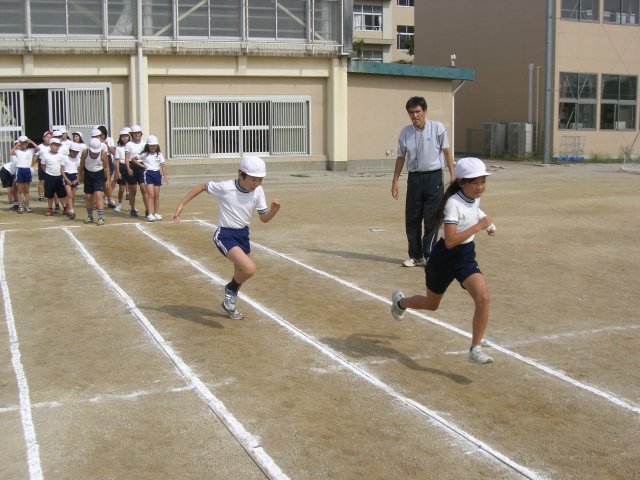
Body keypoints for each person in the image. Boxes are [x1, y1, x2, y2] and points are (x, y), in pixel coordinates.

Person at [390, 157, 496, 365]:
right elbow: (450, 241)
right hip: (444, 259)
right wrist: (480, 226)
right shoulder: (452, 204)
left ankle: (475, 348)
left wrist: (487, 224)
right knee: (431, 304)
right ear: (462, 182)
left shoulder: (473, 197)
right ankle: (401, 303)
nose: (480, 187)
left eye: (483, 182)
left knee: (483, 297)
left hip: (465, 256)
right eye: (475, 182)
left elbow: (475, 210)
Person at [172, 156, 281, 320]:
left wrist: (273, 211)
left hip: (243, 235)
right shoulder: (226, 187)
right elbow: (202, 186)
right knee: (249, 268)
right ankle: (231, 290)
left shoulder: (258, 191)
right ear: (240, 174)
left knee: (242, 271)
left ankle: (228, 302)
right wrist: (181, 205)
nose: (256, 183)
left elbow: (264, 218)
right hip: (225, 235)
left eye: (260, 179)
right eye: (253, 179)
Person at [391, 96, 455, 267]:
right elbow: (400, 157)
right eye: (411, 113)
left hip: (433, 177)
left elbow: (447, 153)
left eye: (418, 111)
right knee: (412, 217)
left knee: (432, 217)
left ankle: (430, 255)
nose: (415, 115)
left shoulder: (437, 128)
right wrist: (395, 180)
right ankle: (415, 255)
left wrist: (453, 175)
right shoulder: (405, 132)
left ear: (425, 111)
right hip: (415, 179)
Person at [135, 134, 168, 222]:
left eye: (154, 145)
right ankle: (149, 214)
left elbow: (163, 165)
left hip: (157, 174)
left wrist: (165, 176)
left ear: (157, 145)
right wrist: (142, 166)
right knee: (151, 195)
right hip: (148, 174)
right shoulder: (145, 154)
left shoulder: (159, 155)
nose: (153, 147)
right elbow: (133, 159)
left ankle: (156, 213)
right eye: (151, 145)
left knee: (157, 195)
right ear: (148, 145)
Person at [78, 138, 110, 225]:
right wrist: (79, 175)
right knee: (88, 197)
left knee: (99, 195)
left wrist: (108, 180)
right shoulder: (85, 152)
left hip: (99, 175)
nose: (95, 152)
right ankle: (90, 216)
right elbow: (81, 166)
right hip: (88, 175)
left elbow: (106, 167)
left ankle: (101, 217)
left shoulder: (103, 154)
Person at [35, 137, 69, 216]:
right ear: (50, 145)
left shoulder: (61, 155)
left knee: (62, 194)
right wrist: (47, 172)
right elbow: (43, 165)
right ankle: (50, 209)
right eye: (55, 145)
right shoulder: (45, 155)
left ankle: (65, 208)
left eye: (58, 145)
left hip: (59, 176)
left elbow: (63, 166)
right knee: (49, 194)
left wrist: (62, 174)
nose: (56, 147)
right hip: (49, 177)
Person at [124, 125, 150, 217]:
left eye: (138, 133)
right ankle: (132, 208)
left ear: (141, 134)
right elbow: (127, 158)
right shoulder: (128, 144)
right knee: (133, 190)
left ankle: (148, 209)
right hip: (132, 165)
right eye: (135, 133)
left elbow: (147, 157)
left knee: (144, 189)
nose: (137, 135)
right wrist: (128, 168)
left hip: (142, 166)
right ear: (132, 134)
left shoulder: (144, 144)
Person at [11, 135, 39, 213]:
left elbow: (39, 149)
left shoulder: (30, 150)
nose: (24, 144)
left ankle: (27, 206)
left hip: (27, 170)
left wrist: (31, 142)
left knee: (26, 190)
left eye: (25, 143)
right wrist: (17, 145)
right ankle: (20, 206)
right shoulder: (17, 151)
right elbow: (11, 152)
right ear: (20, 143)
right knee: (19, 190)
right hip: (20, 170)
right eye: (22, 143)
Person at [61, 142, 82, 219]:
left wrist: (77, 179)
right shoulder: (65, 158)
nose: (75, 153)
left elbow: (79, 171)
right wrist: (66, 179)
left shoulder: (78, 159)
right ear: (70, 150)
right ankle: (72, 210)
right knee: (69, 195)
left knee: (72, 196)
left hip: (75, 176)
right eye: (73, 151)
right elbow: (62, 170)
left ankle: (70, 208)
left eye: (77, 152)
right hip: (67, 176)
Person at [113, 128, 130, 212]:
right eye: (123, 136)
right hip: (122, 167)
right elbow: (117, 161)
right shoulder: (118, 148)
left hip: (130, 166)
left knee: (131, 188)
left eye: (126, 136)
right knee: (121, 188)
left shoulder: (131, 146)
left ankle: (131, 205)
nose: (124, 138)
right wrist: (118, 172)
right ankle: (119, 204)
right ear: (120, 138)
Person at [1, 146, 19, 211]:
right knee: (10, 189)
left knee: (15, 188)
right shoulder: (16, 158)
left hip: (11, 173)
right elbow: (11, 152)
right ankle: (12, 205)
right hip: (5, 171)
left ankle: (16, 203)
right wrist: (17, 145)